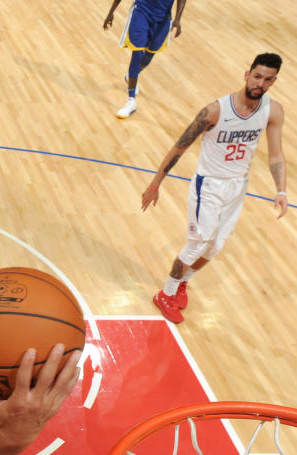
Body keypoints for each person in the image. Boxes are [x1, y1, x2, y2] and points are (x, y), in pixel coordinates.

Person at [142, 53, 287, 324]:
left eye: (267, 80)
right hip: (208, 184)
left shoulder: (273, 110)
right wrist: (155, 184)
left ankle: (183, 281)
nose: (260, 84)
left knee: (216, 245)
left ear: (273, 81)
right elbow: (180, 147)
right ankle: (165, 294)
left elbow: (276, 155)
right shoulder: (215, 111)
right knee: (198, 243)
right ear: (247, 74)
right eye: (256, 76)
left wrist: (281, 190)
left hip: (237, 186)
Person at [103, 0, 188, 119]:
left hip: (162, 19)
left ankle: (132, 76)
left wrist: (178, 19)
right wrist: (111, 12)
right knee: (137, 53)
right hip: (141, 12)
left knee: (148, 56)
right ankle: (131, 100)